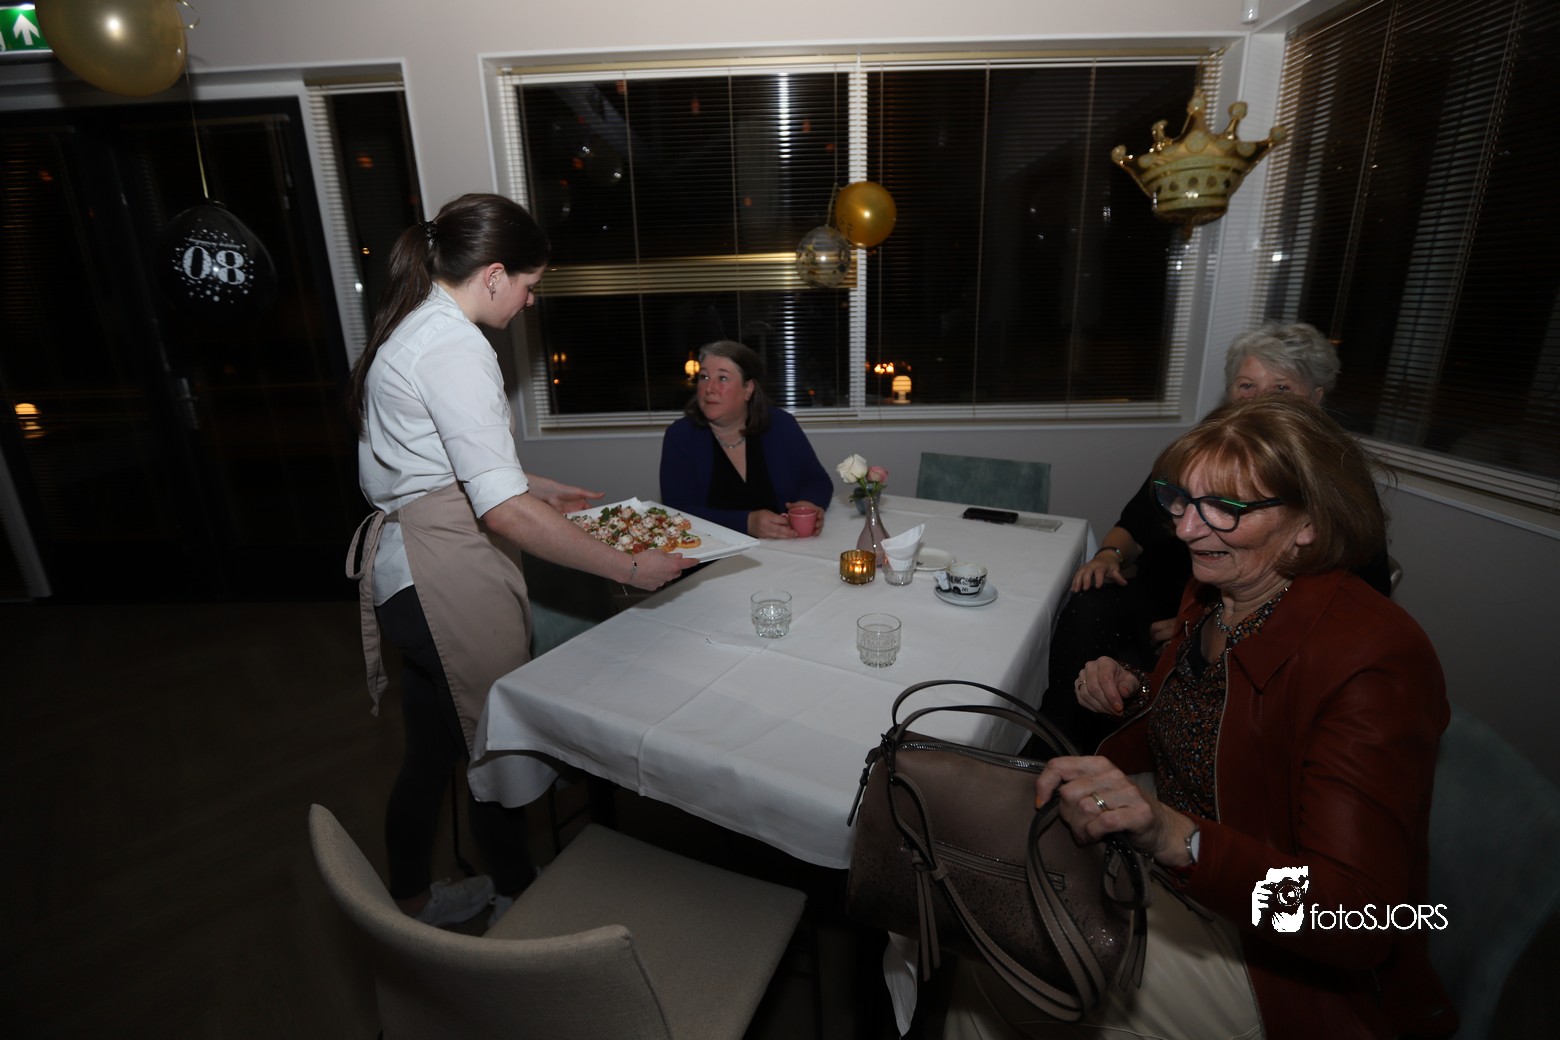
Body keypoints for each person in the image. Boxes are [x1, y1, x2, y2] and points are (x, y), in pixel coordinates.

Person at [943, 396, 1455, 1040]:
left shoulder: (1373, 660)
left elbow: (1359, 919)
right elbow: (1223, 721)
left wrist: (1179, 839)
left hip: (1277, 962)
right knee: (977, 894)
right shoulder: (1221, 590)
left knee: (1002, 958)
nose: (1185, 529)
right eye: (1181, 499)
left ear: (1308, 523)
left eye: (1224, 508)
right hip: (1181, 874)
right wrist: (1136, 688)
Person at [345, 193, 695, 929]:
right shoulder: (454, 346)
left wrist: (534, 484)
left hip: (408, 572)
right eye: (530, 286)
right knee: (497, 748)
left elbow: (439, 462)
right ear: (495, 274)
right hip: (441, 575)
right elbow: (497, 511)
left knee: (432, 755)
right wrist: (631, 568)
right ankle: (519, 901)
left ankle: (413, 900)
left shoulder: (418, 324)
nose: (531, 302)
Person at [1043, 322, 1391, 750]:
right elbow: (1138, 521)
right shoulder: (1209, 461)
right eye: (1247, 385)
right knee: (1089, 607)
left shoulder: (1364, 653)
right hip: (1180, 615)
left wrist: (1190, 627)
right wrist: (1112, 558)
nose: (1185, 530)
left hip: (1210, 625)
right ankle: (1056, 742)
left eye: (1281, 388)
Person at [659, 339, 833, 538]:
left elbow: (818, 481)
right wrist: (745, 523)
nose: (709, 388)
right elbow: (677, 512)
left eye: (722, 378)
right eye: (704, 377)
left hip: (784, 546)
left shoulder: (781, 424)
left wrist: (807, 504)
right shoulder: (681, 436)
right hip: (715, 551)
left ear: (748, 389)